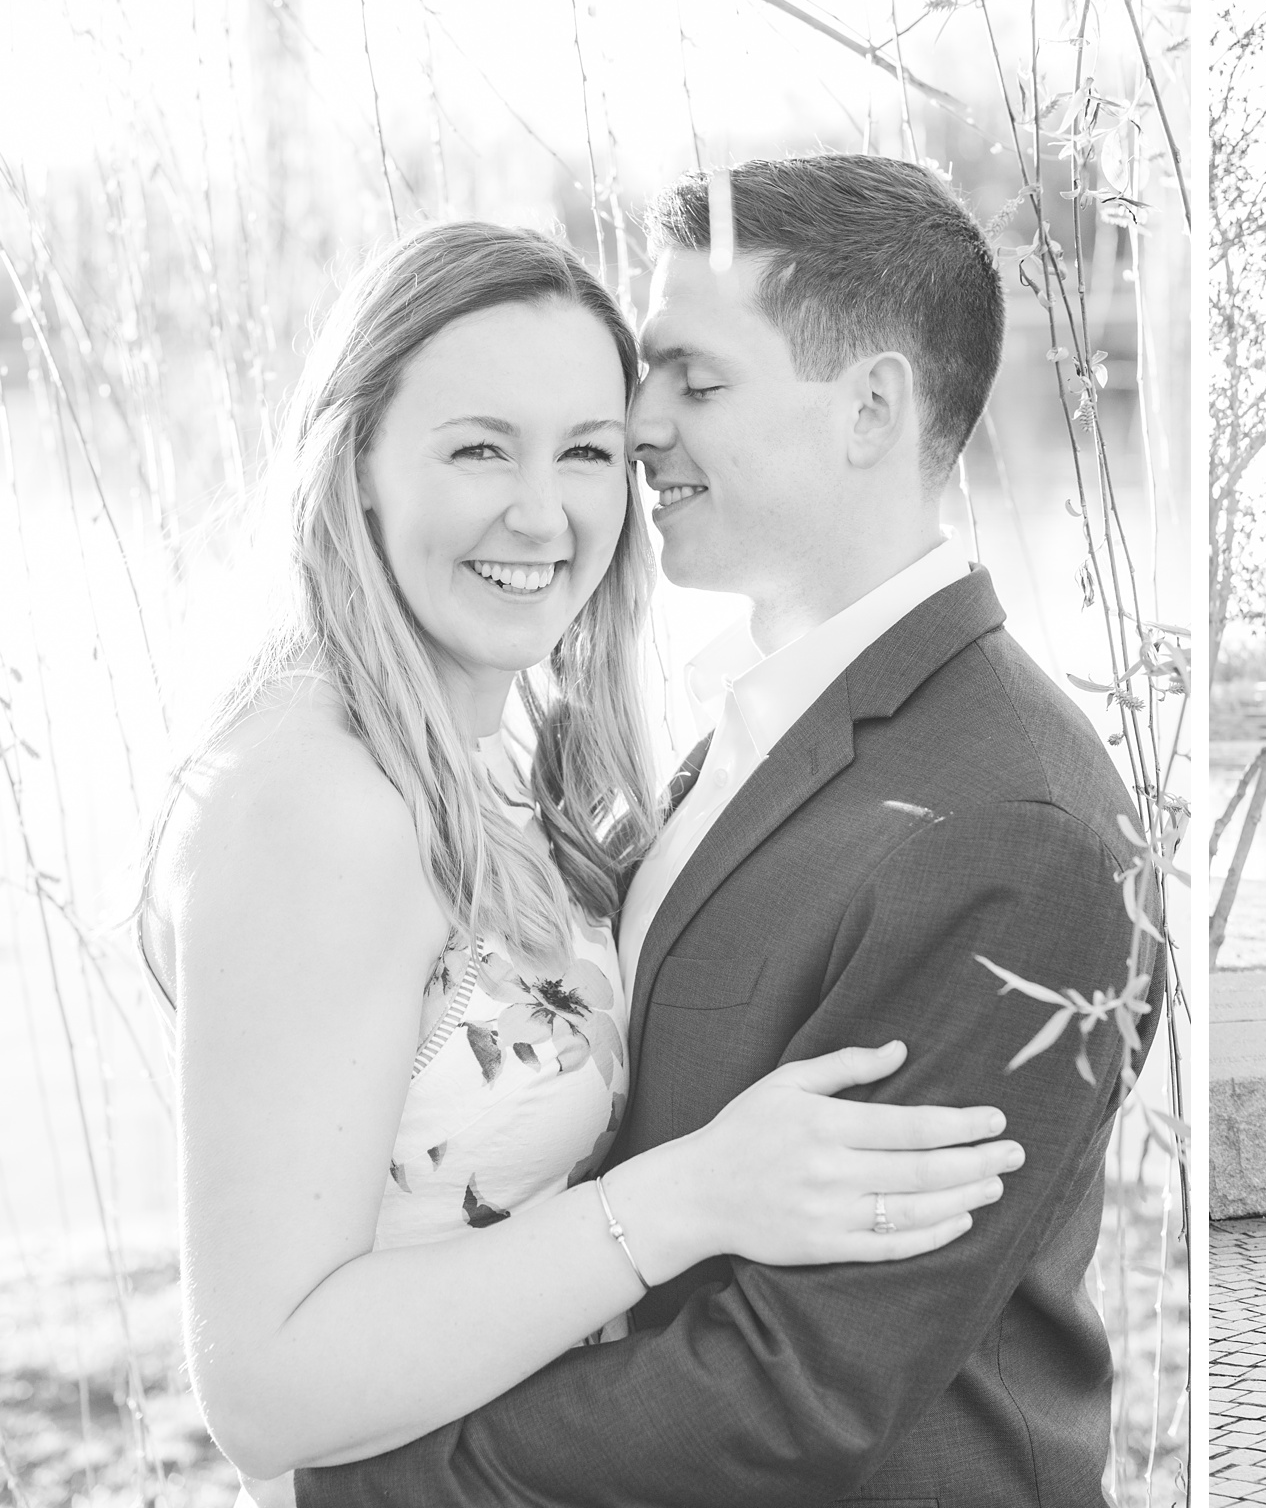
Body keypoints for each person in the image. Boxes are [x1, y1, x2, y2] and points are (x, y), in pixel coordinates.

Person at [296, 155, 1160, 1507]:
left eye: (696, 380)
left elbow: (804, 1383)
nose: (636, 425)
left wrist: (405, 1474)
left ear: (871, 405)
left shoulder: (1013, 822)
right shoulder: (767, 721)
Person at [145, 221, 1022, 1508]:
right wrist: (690, 1197)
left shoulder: (501, 752)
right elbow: (265, 1390)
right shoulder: (318, 800)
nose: (542, 512)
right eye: (479, 447)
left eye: (588, 453)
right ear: (359, 465)